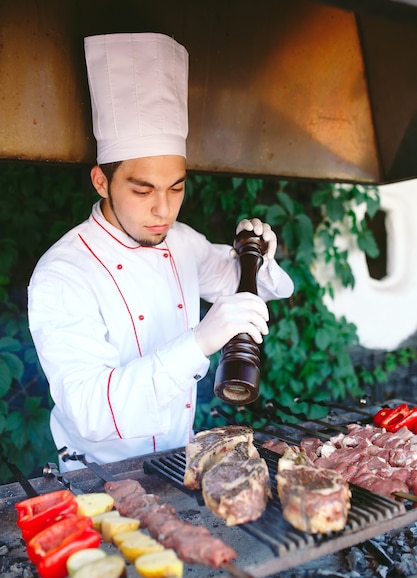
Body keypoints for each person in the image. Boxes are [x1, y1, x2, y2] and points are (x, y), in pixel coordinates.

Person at [28, 33, 294, 471]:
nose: (163, 209)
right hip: (101, 477)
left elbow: (247, 289)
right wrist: (199, 343)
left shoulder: (182, 241)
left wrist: (257, 256)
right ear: (101, 181)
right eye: (142, 189)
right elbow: (91, 409)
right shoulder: (62, 273)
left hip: (178, 461)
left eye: (177, 187)